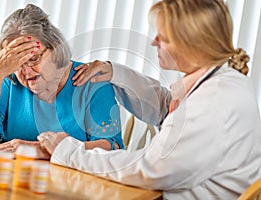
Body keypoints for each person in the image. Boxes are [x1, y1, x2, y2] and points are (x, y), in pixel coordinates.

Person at [35, 0, 261, 199]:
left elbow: (148, 170)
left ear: (192, 43)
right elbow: (166, 108)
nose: (154, 42)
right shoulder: (221, 82)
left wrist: (69, 152)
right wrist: (116, 73)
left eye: (164, 37)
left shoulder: (214, 102)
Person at [0, 4, 124, 153]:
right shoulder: (7, 80)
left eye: (33, 59)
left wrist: (41, 150)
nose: (25, 71)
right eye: (17, 62)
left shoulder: (91, 81)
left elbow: (112, 146)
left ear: (55, 47)